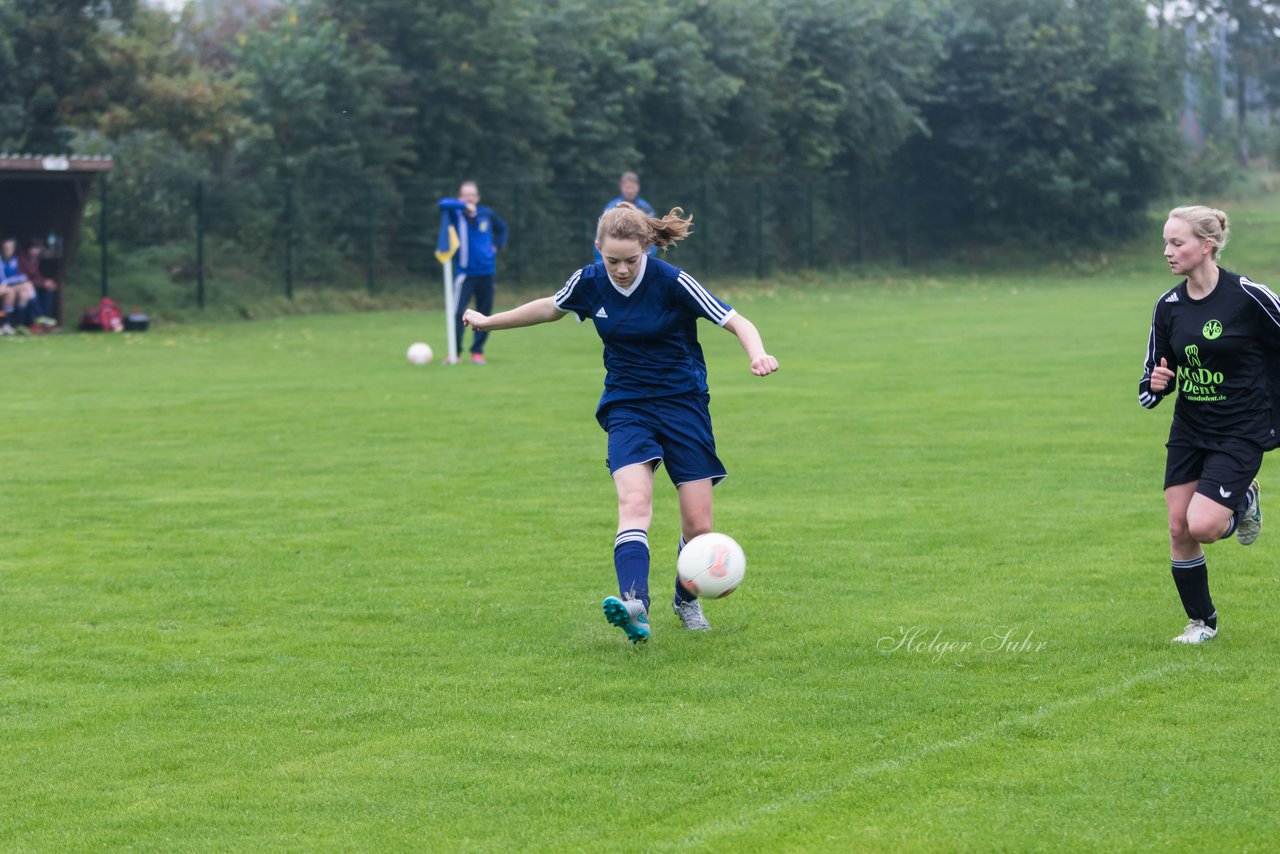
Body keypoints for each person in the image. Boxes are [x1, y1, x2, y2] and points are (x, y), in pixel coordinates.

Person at [464, 202, 779, 643]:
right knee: (634, 504)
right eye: (613, 260)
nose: (623, 270)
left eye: (631, 260)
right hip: (627, 406)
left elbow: (735, 319)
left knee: (699, 527)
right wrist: (488, 322)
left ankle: (685, 600)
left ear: (647, 248)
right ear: (599, 249)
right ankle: (635, 606)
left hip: (684, 404)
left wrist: (757, 353)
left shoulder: (673, 282)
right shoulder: (590, 281)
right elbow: (548, 308)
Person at [1139, 205, 1280, 644]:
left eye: (1177, 243)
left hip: (1241, 429)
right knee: (1179, 527)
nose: (1167, 251)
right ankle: (1202, 623)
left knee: (1203, 525)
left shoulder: (1248, 296)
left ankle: (1242, 500)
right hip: (1190, 429)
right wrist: (1159, 383)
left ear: (1207, 245)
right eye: (1165, 242)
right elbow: (1149, 385)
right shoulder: (1169, 306)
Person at [438, 181, 508, 364]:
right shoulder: (455, 214)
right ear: (460, 197)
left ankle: (477, 352)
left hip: (487, 271)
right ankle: (456, 353)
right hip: (465, 273)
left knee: (485, 314)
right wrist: (464, 206)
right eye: (465, 195)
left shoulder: (486, 214)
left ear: (477, 198)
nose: (469, 198)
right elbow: (442, 203)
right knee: (457, 312)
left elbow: (503, 229)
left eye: (472, 195)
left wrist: (496, 246)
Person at [593, 172, 656, 263]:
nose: (630, 191)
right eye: (627, 188)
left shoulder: (646, 208)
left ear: (638, 187)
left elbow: (652, 236)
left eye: (632, 187)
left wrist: (647, 257)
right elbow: (601, 234)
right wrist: (600, 261)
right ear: (621, 187)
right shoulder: (611, 207)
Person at [0, 237, 38, 334]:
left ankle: (19, 325)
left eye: (9, 249)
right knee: (11, 292)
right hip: (3, 287)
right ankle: (5, 324)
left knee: (24, 294)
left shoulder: (15, 260)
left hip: (8, 286)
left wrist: (11, 281)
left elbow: (20, 276)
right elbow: (2, 279)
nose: (7, 251)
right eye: (5, 248)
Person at [18, 241, 57, 326]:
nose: (36, 251)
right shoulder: (21, 260)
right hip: (22, 285)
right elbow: (24, 278)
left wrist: (46, 282)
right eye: (34, 248)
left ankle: (45, 318)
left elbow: (37, 276)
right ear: (29, 249)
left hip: (34, 285)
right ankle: (40, 318)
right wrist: (42, 283)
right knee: (29, 291)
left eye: (38, 249)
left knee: (47, 291)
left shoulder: (36, 260)